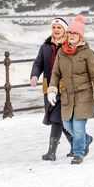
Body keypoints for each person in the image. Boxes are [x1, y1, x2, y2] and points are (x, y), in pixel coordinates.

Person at [47, 15, 94, 164]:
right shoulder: (61, 52)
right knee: (67, 125)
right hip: (67, 95)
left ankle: (78, 154)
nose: (72, 36)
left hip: (83, 95)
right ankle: (87, 139)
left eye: (75, 33)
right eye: (70, 33)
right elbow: (55, 73)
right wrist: (52, 89)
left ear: (80, 36)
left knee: (78, 126)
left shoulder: (87, 53)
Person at [30, 17, 70, 161]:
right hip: (48, 86)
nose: (56, 30)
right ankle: (80, 142)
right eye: (54, 27)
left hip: (65, 86)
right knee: (58, 118)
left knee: (56, 118)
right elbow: (38, 63)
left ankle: (51, 152)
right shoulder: (46, 46)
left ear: (64, 29)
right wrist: (34, 75)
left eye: (59, 27)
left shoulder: (68, 45)